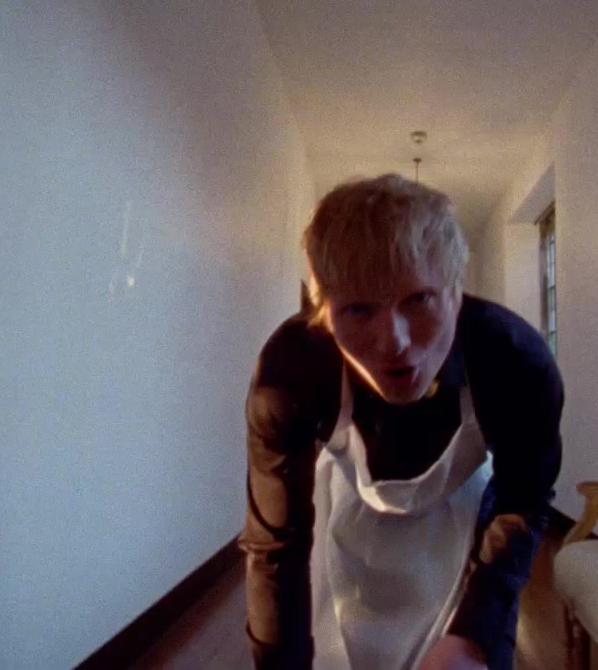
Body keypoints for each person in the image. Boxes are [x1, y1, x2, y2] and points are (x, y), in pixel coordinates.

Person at [241, 174, 564, 670]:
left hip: (470, 523)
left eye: (419, 299)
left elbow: (522, 501)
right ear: (324, 310)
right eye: (358, 309)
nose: (393, 341)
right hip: (351, 522)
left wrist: (474, 635)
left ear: (455, 290)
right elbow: (275, 544)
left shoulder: (515, 360)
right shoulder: (288, 375)